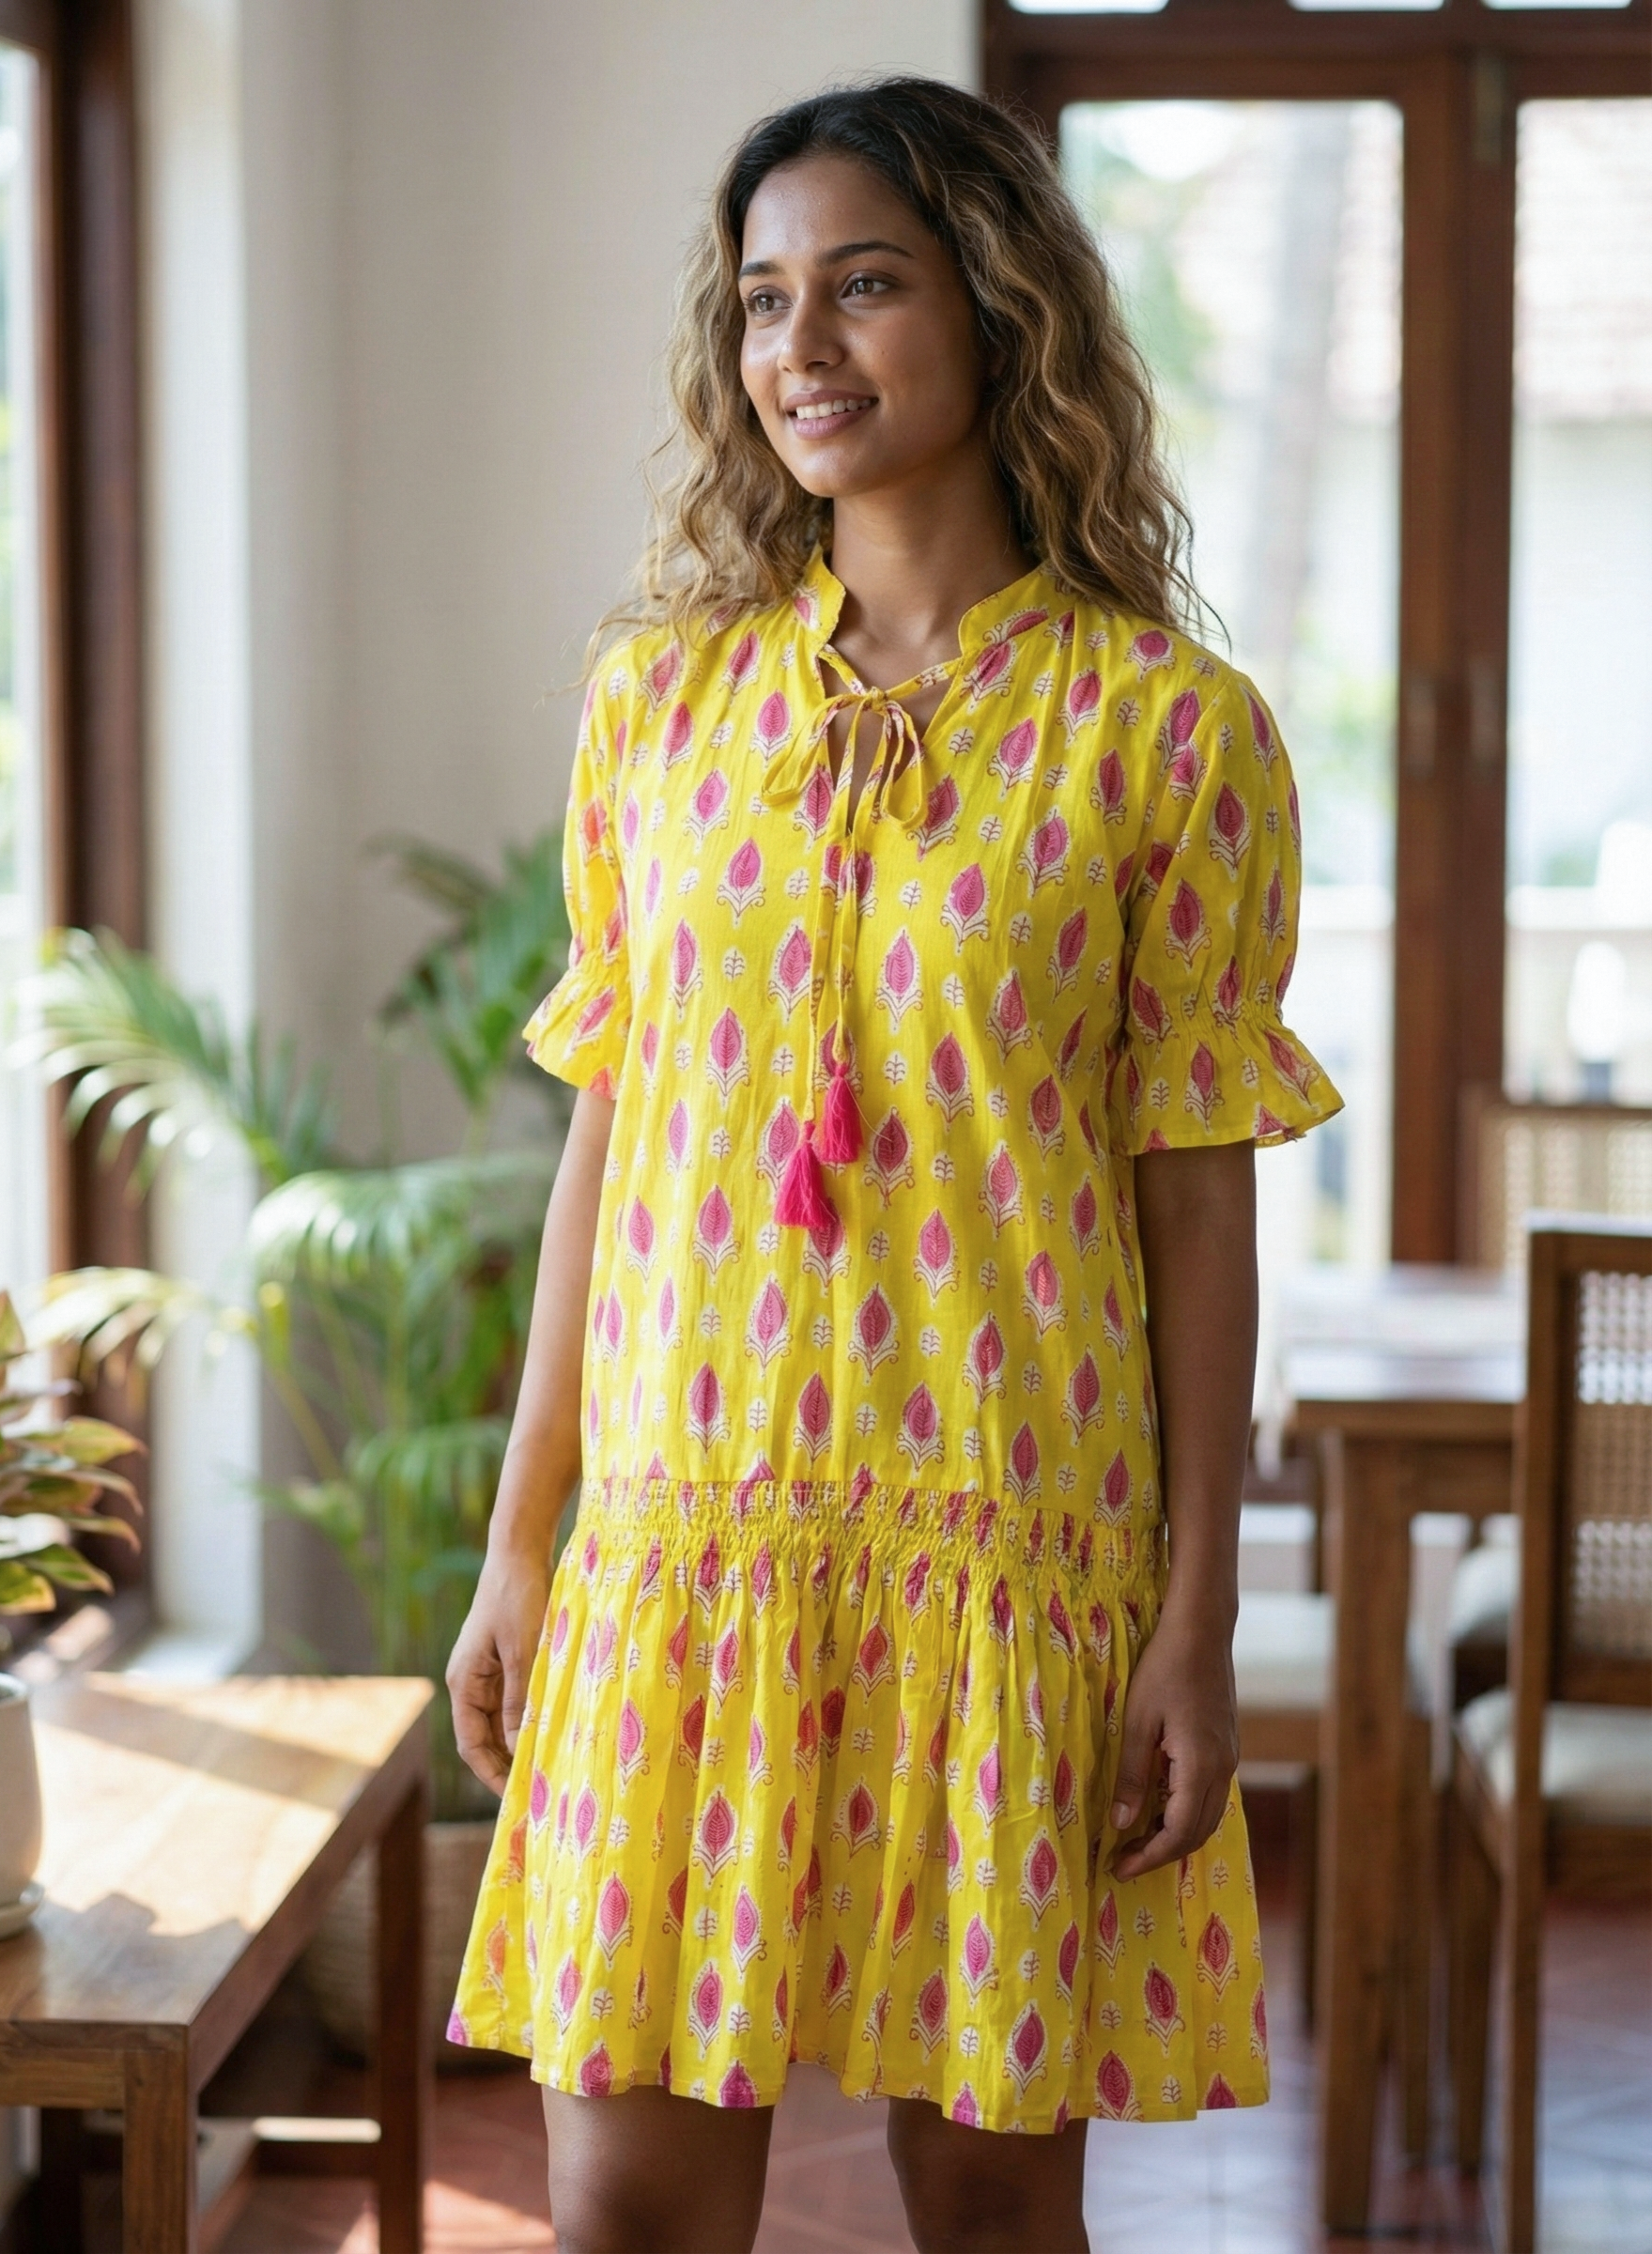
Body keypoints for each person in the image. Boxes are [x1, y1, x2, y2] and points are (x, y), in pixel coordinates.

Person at [446, 75, 1342, 2254]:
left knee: (987, 2215)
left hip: (1011, 1549)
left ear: (998, 306)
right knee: (624, 2210)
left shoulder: (1164, 731)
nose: (800, 347)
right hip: (686, 1551)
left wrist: (1189, 1615)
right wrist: (519, 1535)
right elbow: (606, 1146)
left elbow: (1193, 1195)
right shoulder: (653, 712)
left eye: (863, 283)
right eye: (762, 300)